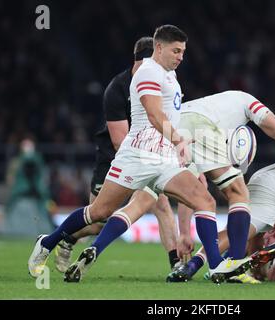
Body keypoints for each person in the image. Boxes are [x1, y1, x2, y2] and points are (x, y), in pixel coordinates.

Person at [29, 25, 250, 284]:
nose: (181, 57)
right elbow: (155, 116)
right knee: (99, 212)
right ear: (158, 48)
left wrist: (183, 152)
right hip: (138, 155)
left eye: (183, 52)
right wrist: (179, 140)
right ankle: (48, 241)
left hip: (165, 158)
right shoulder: (147, 72)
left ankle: (215, 266)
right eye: (176, 51)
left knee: (205, 201)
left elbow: (169, 116)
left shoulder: (170, 75)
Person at [53, 37, 181, 274]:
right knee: (100, 219)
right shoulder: (118, 88)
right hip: (115, 158)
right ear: (141, 60)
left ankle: (176, 264)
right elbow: (119, 139)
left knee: (161, 205)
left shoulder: (162, 81)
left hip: (149, 157)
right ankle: (67, 238)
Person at [166, 90, 275, 283]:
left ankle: (204, 265)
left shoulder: (217, 111)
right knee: (239, 192)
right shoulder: (248, 102)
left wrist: (185, 233)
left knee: (178, 195)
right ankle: (234, 267)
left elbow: (189, 196)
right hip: (200, 124)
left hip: (170, 126)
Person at [5, 138, 55, 236]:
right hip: (21, 200)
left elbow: (43, 179)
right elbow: (10, 179)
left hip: (36, 200)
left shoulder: (38, 162)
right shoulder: (16, 163)